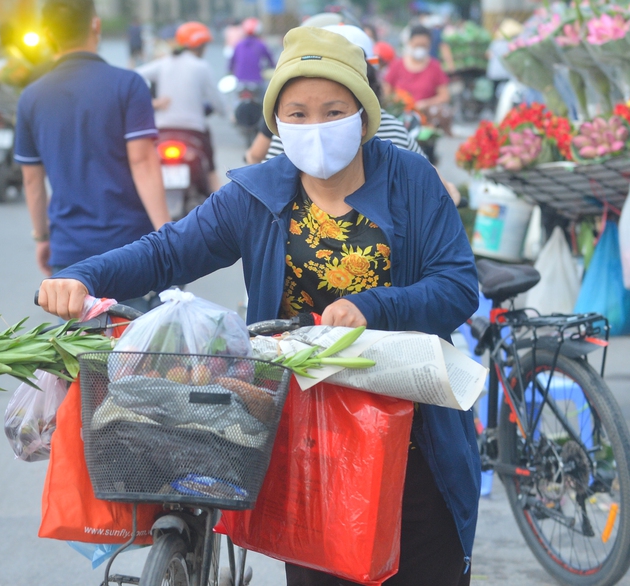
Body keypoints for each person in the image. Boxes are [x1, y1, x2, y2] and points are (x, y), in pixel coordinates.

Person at [36, 26, 479, 586]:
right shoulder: (257, 194)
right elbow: (167, 251)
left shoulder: (410, 179)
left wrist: (374, 306)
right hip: (311, 446)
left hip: (413, 443)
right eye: (296, 113)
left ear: (363, 116)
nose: (314, 126)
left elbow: (459, 285)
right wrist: (81, 275)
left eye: (332, 110)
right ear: (276, 122)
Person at [14, 0, 169, 276]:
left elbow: (32, 180)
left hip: (69, 252)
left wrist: (42, 238)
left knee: (79, 321)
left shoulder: (31, 97)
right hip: (130, 249)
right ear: (95, 25)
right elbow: (143, 162)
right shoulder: (129, 84)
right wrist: (169, 242)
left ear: (48, 35)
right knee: (133, 320)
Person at [258, 23, 461, 206]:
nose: (317, 129)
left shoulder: (400, 157)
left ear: (364, 120)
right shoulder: (251, 198)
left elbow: (431, 188)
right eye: (298, 114)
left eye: (334, 112)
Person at [137, 21, 227, 193]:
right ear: (201, 46)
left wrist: (153, 103)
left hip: (161, 130)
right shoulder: (201, 66)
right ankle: (224, 210)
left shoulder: (164, 63)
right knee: (211, 170)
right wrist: (226, 113)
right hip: (194, 131)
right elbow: (218, 102)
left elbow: (132, 76)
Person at [384, 25, 451, 114]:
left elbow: (444, 96)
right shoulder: (396, 65)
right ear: (409, 43)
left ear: (429, 45)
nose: (420, 49)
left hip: (426, 118)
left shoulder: (435, 67)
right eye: (417, 45)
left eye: (423, 46)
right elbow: (386, 94)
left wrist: (426, 104)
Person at [228, 17, 275, 88]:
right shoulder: (261, 44)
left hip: (240, 80)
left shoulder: (238, 45)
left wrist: (229, 71)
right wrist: (273, 66)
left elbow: (232, 62)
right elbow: (270, 59)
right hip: (257, 80)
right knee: (264, 97)